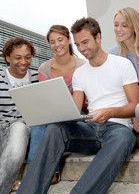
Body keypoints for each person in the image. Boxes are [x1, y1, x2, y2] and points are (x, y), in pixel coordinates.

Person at [17, 17, 139, 194]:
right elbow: (74, 110)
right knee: (55, 128)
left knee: (125, 138)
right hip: (90, 129)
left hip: (116, 128)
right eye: (78, 44)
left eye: (85, 42)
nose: (82, 49)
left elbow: (135, 105)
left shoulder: (122, 64)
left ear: (98, 37)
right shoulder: (80, 74)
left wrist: (110, 111)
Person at [36, 24, 86, 182]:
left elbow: (86, 101)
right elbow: (46, 99)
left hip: (80, 113)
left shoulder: (83, 65)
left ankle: (46, 171)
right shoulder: (44, 69)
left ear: (69, 39)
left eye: (60, 40)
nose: (57, 45)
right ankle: (39, 173)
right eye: (52, 42)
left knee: (53, 125)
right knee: (37, 125)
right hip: (54, 113)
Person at [0, 36, 38, 194]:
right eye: (18, 57)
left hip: (21, 129)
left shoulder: (37, 78)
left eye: (27, 57)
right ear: (7, 58)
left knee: (19, 129)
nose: (24, 62)